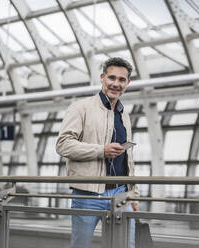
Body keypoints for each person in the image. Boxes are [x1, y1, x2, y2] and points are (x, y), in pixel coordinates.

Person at [56, 57, 139, 248]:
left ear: (128, 83)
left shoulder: (123, 114)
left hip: (121, 194)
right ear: (102, 78)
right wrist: (101, 151)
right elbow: (63, 144)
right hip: (87, 195)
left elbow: (128, 159)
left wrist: (133, 194)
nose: (116, 84)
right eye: (111, 78)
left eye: (121, 80)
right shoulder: (80, 108)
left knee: (127, 245)